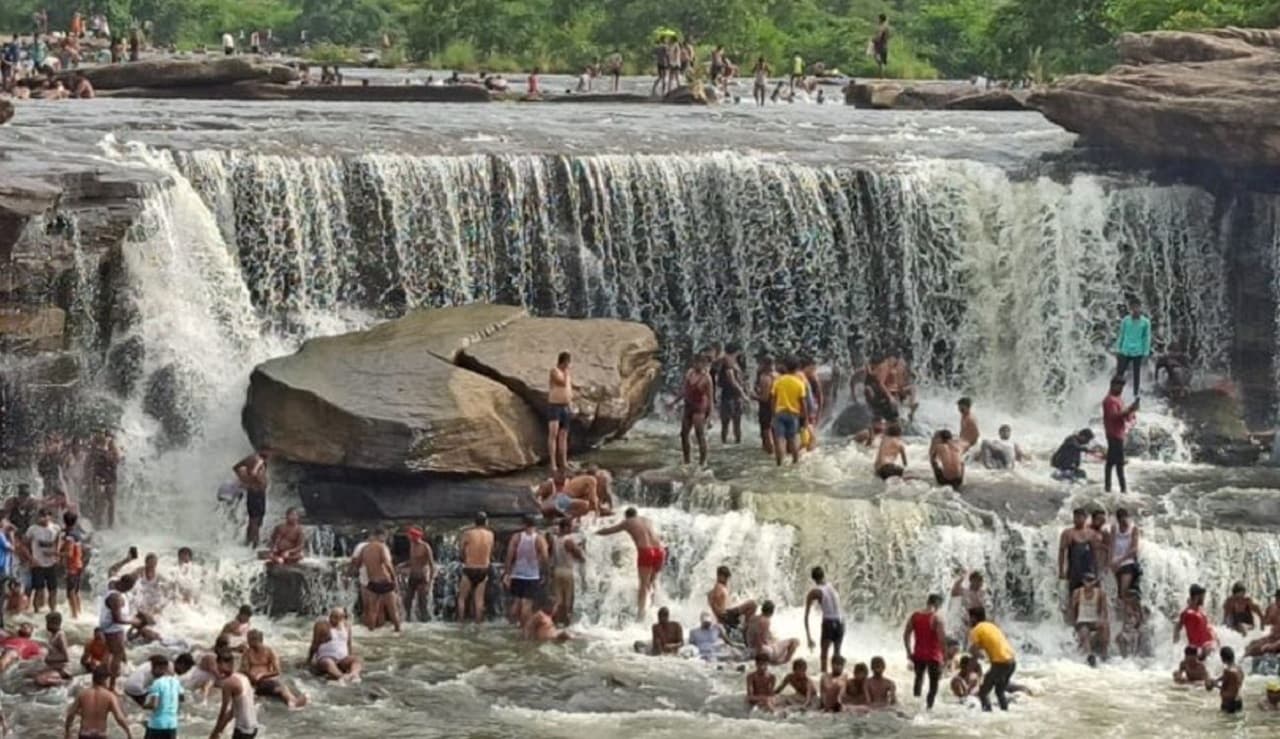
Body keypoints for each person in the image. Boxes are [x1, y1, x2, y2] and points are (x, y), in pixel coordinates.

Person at [597, 507, 665, 619]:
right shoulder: (647, 520)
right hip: (660, 551)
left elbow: (609, 530)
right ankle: (654, 608)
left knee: (643, 584)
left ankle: (641, 614)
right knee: (653, 582)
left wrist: (593, 532)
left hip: (646, 551)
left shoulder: (627, 522)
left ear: (626, 516)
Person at [241, 629, 306, 709]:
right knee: (281, 688)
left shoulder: (269, 651)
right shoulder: (247, 653)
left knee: (281, 688)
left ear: (256, 640)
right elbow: (244, 669)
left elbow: (277, 671)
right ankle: (293, 702)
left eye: (250, 639)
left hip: (265, 680)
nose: (248, 642)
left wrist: (262, 675)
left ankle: (292, 702)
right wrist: (251, 676)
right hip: (253, 682)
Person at [968, 607, 1016, 711]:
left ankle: (987, 715)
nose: (968, 621)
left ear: (973, 618)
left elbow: (975, 654)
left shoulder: (976, 630)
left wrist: (968, 672)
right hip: (1012, 662)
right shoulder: (991, 626)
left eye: (969, 618)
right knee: (999, 691)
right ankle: (1005, 712)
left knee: (983, 692)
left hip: (1000, 663)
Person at [64, 666, 132, 739]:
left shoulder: (82, 694)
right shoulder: (110, 696)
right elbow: (119, 717)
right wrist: (128, 733)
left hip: (85, 734)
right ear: (105, 680)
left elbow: (71, 714)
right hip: (100, 735)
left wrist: (67, 731)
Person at [904, 593, 946, 709]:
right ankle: (929, 708)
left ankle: (916, 702)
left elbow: (906, 634)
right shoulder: (937, 618)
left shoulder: (915, 616)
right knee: (934, 684)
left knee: (918, 678)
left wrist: (908, 651)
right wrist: (945, 656)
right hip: (934, 655)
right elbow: (942, 640)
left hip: (919, 654)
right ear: (937, 604)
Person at [504, 514, 547, 625]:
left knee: (517, 601)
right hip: (532, 576)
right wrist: (544, 573)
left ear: (524, 524)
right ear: (535, 525)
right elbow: (545, 557)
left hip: (517, 574)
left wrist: (507, 573)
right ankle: (524, 627)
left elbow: (509, 556)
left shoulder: (516, 537)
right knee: (527, 604)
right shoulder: (539, 538)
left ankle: (511, 624)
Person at [100, 574, 139, 689]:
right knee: (117, 655)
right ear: (123, 584)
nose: (128, 590)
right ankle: (112, 685)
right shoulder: (115, 598)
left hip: (108, 627)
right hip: (113, 629)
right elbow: (117, 619)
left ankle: (105, 679)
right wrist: (133, 622)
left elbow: (112, 573)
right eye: (128, 587)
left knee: (114, 653)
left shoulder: (112, 584)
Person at [210, 651, 260, 738]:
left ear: (221, 663)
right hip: (253, 727)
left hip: (243, 729)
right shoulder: (243, 677)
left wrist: (214, 733)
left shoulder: (228, 683)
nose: (217, 668)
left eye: (217, 664)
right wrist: (220, 730)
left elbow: (223, 711)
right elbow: (233, 711)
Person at [358, 528, 400, 632]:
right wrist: (394, 578)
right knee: (393, 610)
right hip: (384, 581)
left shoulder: (364, 549)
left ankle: (371, 632)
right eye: (384, 537)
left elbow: (358, 564)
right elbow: (387, 563)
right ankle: (398, 631)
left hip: (372, 582)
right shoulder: (381, 547)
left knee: (372, 611)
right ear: (380, 536)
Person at [803, 566, 843, 673]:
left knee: (824, 654)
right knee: (837, 653)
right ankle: (837, 678)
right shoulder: (833, 586)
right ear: (823, 575)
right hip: (841, 621)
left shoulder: (814, 592)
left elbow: (806, 616)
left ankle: (824, 676)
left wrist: (809, 638)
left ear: (813, 578)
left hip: (829, 622)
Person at [456, 512, 494, 623]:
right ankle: (478, 624)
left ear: (474, 522)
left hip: (470, 568)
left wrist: (464, 558)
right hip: (484, 569)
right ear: (486, 522)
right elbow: (490, 551)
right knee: (479, 600)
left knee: (462, 598)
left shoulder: (468, 533)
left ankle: (460, 622)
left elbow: (461, 551)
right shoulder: (491, 534)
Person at [1102, 377, 1139, 493]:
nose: (1121, 389)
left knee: (1112, 462)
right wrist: (1129, 410)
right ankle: (1122, 489)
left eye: (1122, 386)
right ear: (1112, 385)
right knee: (1118, 463)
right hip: (1114, 434)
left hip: (1117, 434)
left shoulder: (1118, 399)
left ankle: (1109, 488)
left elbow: (1125, 417)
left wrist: (1131, 411)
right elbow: (1114, 416)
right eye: (1118, 386)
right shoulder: (1110, 400)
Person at [770, 357, 808, 466]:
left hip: (780, 413)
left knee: (780, 439)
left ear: (785, 367)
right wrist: (804, 418)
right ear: (797, 368)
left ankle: (779, 463)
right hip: (793, 415)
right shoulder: (799, 383)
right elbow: (803, 403)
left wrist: (773, 414)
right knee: (793, 439)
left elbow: (773, 398)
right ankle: (795, 462)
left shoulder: (779, 381)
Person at [309, 607, 362, 682]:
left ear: (343, 617)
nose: (336, 619)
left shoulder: (347, 626)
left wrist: (349, 658)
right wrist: (309, 660)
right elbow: (315, 644)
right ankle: (341, 676)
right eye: (334, 616)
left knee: (357, 659)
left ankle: (353, 674)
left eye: (340, 617)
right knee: (328, 663)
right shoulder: (321, 625)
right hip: (326, 657)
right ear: (330, 616)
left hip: (342, 659)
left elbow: (348, 644)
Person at [1058, 508, 1102, 596]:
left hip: (1089, 571)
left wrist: (1098, 572)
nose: (1076, 519)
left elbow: (1096, 554)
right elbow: (1062, 552)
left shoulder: (1092, 534)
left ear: (1085, 518)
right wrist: (1061, 571)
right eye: (1075, 517)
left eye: (1079, 517)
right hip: (1074, 571)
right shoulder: (1068, 533)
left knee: (1090, 597)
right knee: (1073, 597)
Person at [548, 518, 584, 625]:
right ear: (566, 527)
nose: (572, 528)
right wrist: (581, 550)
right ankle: (568, 624)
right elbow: (579, 556)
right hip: (567, 571)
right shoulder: (568, 540)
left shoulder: (555, 540)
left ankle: (553, 621)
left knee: (559, 600)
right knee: (569, 600)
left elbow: (551, 555)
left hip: (557, 570)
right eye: (570, 526)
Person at [678, 354, 713, 465]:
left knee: (699, 434)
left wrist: (710, 417)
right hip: (688, 405)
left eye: (700, 363)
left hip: (699, 408)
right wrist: (674, 402)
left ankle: (702, 462)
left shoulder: (707, 378)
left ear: (704, 364)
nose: (697, 365)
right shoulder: (690, 373)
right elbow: (684, 390)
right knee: (683, 434)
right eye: (695, 362)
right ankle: (687, 460)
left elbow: (711, 398)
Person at [1114, 296, 1152, 397]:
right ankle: (1114, 394)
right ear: (1130, 308)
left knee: (1136, 375)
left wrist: (1146, 353)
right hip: (1125, 350)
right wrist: (1118, 349)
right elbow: (1121, 334)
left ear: (1140, 307)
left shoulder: (1145, 322)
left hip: (1138, 351)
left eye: (1137, 307)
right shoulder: (1126, 320)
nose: (1135, 310)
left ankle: (1135, 395)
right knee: (1119, 373)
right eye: (1133, 307)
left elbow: (1146, 337)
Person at [26, 508, 61, 613]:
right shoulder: (33, 529)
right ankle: (36, 611)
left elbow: (59, 539)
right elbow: (24, 544)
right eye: (42, 516)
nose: (44, 518)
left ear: (50, 517)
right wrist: (30, 558)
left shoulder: (56, 528)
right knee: (39, 590)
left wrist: (57, 552)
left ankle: (53, 611)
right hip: (38, 563)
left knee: (53, 590)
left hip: (51, 563)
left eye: (46, 516)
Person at [708, 565, 757, 639]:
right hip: (726, 616)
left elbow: (715, 603)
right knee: (752, 604)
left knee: (749, 610)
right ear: (719, 576)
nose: (727, 580)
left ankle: (744, 629)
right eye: (726, 577)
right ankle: (745, 631)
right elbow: (716, 607)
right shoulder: (719, 588)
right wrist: (722, 616)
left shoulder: (715, 590)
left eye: (727, 578)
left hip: (726, 616)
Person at [233, 450, 269, 548]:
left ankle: (248, 541)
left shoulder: (256, 459)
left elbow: (236, 467)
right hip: (255, 492)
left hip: (259, 492)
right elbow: (252, 473)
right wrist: (247, 480)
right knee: (255, 519)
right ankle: (254, 544)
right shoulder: (256, 460)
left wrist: (244, 480)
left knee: (257, 519)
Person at [1070, 573, 1110, 660]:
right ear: (1083, 581)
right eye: (1087, 580)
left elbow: (1104, 610)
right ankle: (1089, 655)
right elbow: (1072, 609)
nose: (1089, 583)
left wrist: (1102, 620)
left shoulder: (1100, 593)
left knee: (1105, 625)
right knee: (1084, 631)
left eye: (1091, 580)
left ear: (1095, 581)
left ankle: (1105, 653)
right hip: (1082, 621)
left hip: (1094, 621)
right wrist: (1074, 623)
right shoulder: (1077, 592)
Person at [746, 600, 799, 665]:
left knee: (777, 642)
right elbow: (760, 639)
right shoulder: (765, 621)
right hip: (762, 651)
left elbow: (746, 631)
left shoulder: (752, 618)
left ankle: (778, 657)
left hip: (750, 648)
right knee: (795, 641)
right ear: (772, 611)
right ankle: (783, 662)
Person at [143, 655, 183, 739]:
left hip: (157, 725)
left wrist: (145, 705)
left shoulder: (157, 683)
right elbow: (181, 698)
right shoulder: (176, 682)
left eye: (152, 668)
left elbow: (154, 705)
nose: (151, 671)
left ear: (158, 668)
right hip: (172, 724)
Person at [401, 526, 435, 622]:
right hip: (412, 577)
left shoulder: (425, 547)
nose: (408, 537)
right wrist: (401, 565)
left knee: (422, 603)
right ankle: (408, 621)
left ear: (415, 536)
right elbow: (412, 560)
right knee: (407, 601)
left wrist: (430, 583)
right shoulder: (411, 545)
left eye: (410, 535)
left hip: (422, 578)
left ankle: (426, 623)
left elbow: (432, 565)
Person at [1174, 584, 1217, 658]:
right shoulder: (1189, 613)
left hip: (1209, 648)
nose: (1204, 599)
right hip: (1201, 652)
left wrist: (1215, 640)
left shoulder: (1200, 610)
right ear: (1197, 596)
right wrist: (1175, 646)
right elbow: (1178, 626)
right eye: (1203, 596)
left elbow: (1207, 628)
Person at [546, 352, 573, 471]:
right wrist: (566, 373)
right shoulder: (555, 371)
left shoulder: (567, 374)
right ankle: (553, 463)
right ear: (564, 361)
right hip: (555, 406)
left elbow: (568, 388)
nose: (569, 365)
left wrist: (571, 403)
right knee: (553, 434)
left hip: (565, 406)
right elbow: (561, 382)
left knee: (564, 436)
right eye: (568, 362)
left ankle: (564, 461)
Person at [717, 344, 747, 445]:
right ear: (737, 351)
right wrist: (743, 393)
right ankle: (732, 442)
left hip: (731, 396)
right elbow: (732, 380)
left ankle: (727, 442)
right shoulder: (728, 362)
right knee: (731, 421)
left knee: (731, 421)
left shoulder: (732, 362)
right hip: (730, 396)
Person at [1109, 507, 1141, 596]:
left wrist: (1120, 561)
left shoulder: (1133, 529)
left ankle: (1126, 608)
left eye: (1125, 519)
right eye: (1121, 520)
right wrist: (1110, 561)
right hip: (1115, 562)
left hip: (1128, 562)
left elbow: (1134, 549)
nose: (1124, 522)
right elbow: (1111, 546)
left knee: (1123, 591)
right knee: (1118, 592)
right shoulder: (1114, 528)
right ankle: (1121, 609)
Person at [36, 610, 69, 687]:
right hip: (52, 667)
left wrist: (48, 659)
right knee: (28, 676)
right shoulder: (53, 635)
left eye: (48, 623)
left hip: (60, 669)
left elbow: (66, 657)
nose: (46, 625)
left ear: (55, 623)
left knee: (39, 680)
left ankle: (65, 681)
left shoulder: (60, 636)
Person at [62, 513, 85, 619]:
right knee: (76, 591)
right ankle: (79, 611)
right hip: (79, 564)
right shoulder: (77, 534)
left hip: (72, 566)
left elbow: (69, 553)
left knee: (70, 592)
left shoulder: (69, 536)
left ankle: (74, 615)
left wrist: (55, 553)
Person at [1208, 646, 1244, 714]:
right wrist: (1217, 680)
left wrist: (1214, 685)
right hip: (1238, 701)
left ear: (1223, 658)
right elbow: (1232, 682)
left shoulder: (1227, 671)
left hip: (1228, 703)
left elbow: (1226, 689)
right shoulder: (1239, 669)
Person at [753, 356, 777, 453]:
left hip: (766, 408)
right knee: (774, 431)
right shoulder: (777, 375)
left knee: (766, 432)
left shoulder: (765, 378)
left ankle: (769, 453)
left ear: (764, 365)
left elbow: (764, 398)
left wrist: (753, 396)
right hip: (776, 406)